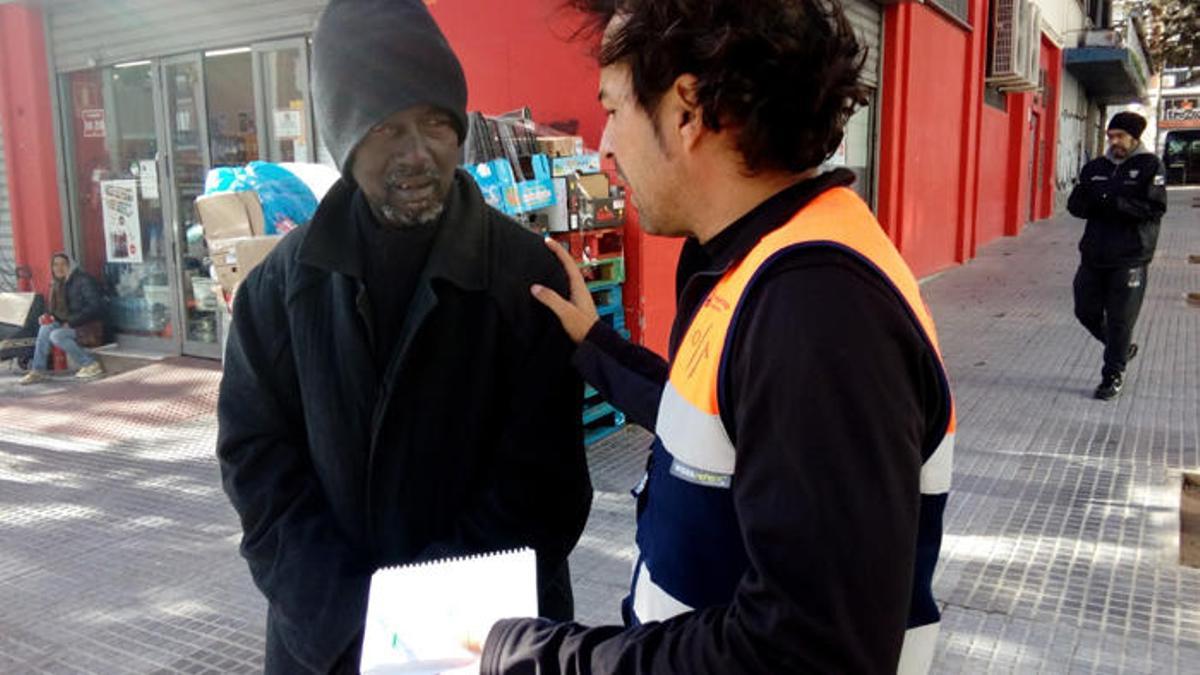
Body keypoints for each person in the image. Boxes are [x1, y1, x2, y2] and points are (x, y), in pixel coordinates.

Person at [471, 1, 956, 672]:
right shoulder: (761, 261)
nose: (604, 147)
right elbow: (716, 425)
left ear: (688, 110)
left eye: (611, 110)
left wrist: (541, 657)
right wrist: (595, 344)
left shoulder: (817, 311)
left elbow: (809, 650)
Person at [215, 1, 592, 672]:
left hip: (481, 643)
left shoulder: (525, 279)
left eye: (436, 123)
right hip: (329, 645)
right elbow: (259, 467)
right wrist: (349, 621)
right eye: (388, 128)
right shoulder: (278, 290)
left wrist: (415, 624)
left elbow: (544, 487)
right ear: (344, 138)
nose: (418, 153)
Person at [1067, 111, 1167, 401]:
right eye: (1111, 136)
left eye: (1119, 136)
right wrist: (1091, 203)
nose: (1114, 141)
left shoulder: (1150, 166)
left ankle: (1112, 375)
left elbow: (1154, 209)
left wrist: (1112, 203)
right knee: (1084, 310)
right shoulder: (1096, 167)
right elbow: (1077, 204)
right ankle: (1121, 347)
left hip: (1131, 257)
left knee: (1121, 319)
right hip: (1094, 254)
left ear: (1134, 137)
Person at [19, 253, 105, 384]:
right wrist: (46, 316)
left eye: (63, 264)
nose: (59, 268)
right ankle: (38, 370)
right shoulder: (56, 284)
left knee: (56, 335)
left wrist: (71, 322)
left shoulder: (83, 280)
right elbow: (55, 311)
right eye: (55, 264)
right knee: (45, 328)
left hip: (89, 327)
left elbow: (96, 307)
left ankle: (90, 364)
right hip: (69, 325)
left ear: (70, 266)